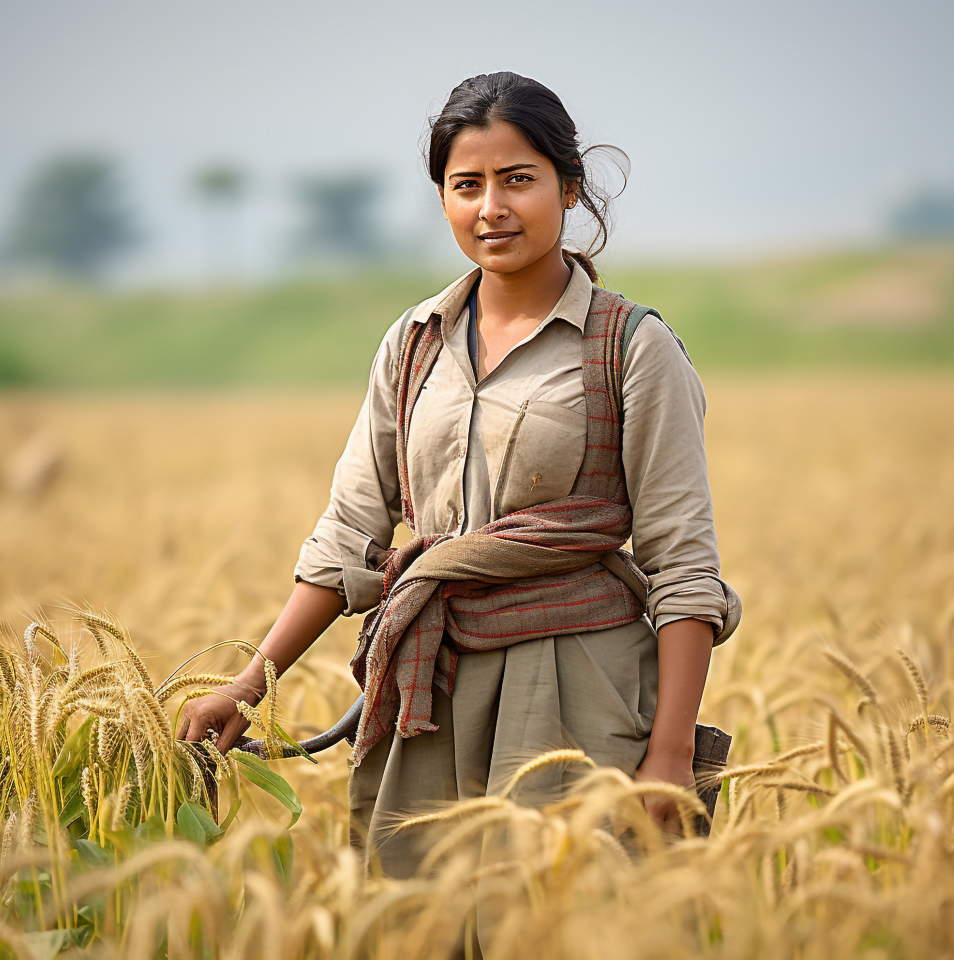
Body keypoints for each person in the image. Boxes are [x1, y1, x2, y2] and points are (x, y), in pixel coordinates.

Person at [178, 71, 740, 878]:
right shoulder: (413, 345)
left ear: (569, 188)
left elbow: (683, 565)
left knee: (561, 918)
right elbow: (349, 535)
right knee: (416, 919)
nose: (491, 208)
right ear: (442, 196)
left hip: (577, 687)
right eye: (465, 185)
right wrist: (247, 685)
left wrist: (671, 751)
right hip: (427, 694)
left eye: (519, 180)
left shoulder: (631, 347)